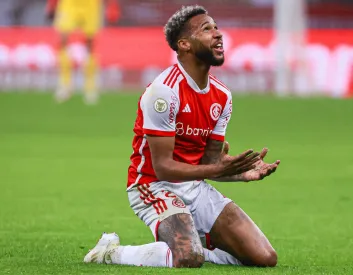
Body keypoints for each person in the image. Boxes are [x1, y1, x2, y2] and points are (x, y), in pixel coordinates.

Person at [83, 5, 280, 268]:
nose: (218, 34)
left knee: (264, 258)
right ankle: (110, 252)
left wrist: (240, 172)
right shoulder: (164, 92)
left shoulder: (222, 96)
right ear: (184, 44)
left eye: (217, 27)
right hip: (152, 186)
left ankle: (193, 246)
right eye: (207, 29)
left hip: (194, 187)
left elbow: (209, 164)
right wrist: (217, 167)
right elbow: (163, 168)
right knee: (187, 258)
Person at [46, 0, 120, 105]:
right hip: (69, 4)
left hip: (90, 4)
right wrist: (52, 3)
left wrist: (112, 5)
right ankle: (65, 85)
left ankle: (90, 88)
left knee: (90, 44)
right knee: (63, 40)